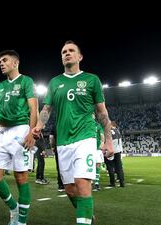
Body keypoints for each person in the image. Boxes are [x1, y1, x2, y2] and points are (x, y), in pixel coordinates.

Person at [33, 40, 114, 225]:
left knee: (82, 184)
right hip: (63, 141)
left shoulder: (91, 80)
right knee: (70, 189)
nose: (67, 53)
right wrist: (39, 125)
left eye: (71, 51)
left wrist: (108, 141)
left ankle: (84, 218)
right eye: (63, 52)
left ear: (80, 56)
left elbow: (102, 112)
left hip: (85, 137)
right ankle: (87, 216)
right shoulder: (54, 82)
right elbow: (46, 109)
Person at [0, 50, 37, 225]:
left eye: (5, 60)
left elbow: (33, 108)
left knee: (21, 176)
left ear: (15, 63)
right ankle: (14, 208)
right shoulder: (0, 86)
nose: (1, 63)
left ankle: (21, 221)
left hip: (20, 131)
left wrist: (32, 132)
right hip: (1, 132)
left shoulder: (26, 81)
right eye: (0, 60)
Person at [106, 121, 125, 187]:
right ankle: (122, 182)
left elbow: (112, 141)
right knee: (119, 167)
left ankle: (112, 182)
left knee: (110, 167)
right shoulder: (118, 131)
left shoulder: (109, 131)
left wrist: (109, 151)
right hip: (118, 151)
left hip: (112, 150)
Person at [50, 126, 64, 192]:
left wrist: (52, 146)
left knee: (59, 167)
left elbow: (51, 138)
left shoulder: (55, 125)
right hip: (67, 146)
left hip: (58, 148)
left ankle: (61, 184)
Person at [93, 120, 105, 191]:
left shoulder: (97, 125)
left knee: (96, 166)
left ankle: (96, 183)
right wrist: (102, 142)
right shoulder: (97, 125)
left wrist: (102, 142)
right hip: (90, 149)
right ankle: (94, 183)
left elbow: (102, 135)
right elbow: (102, 135)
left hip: (95, 149)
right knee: (95, 166)